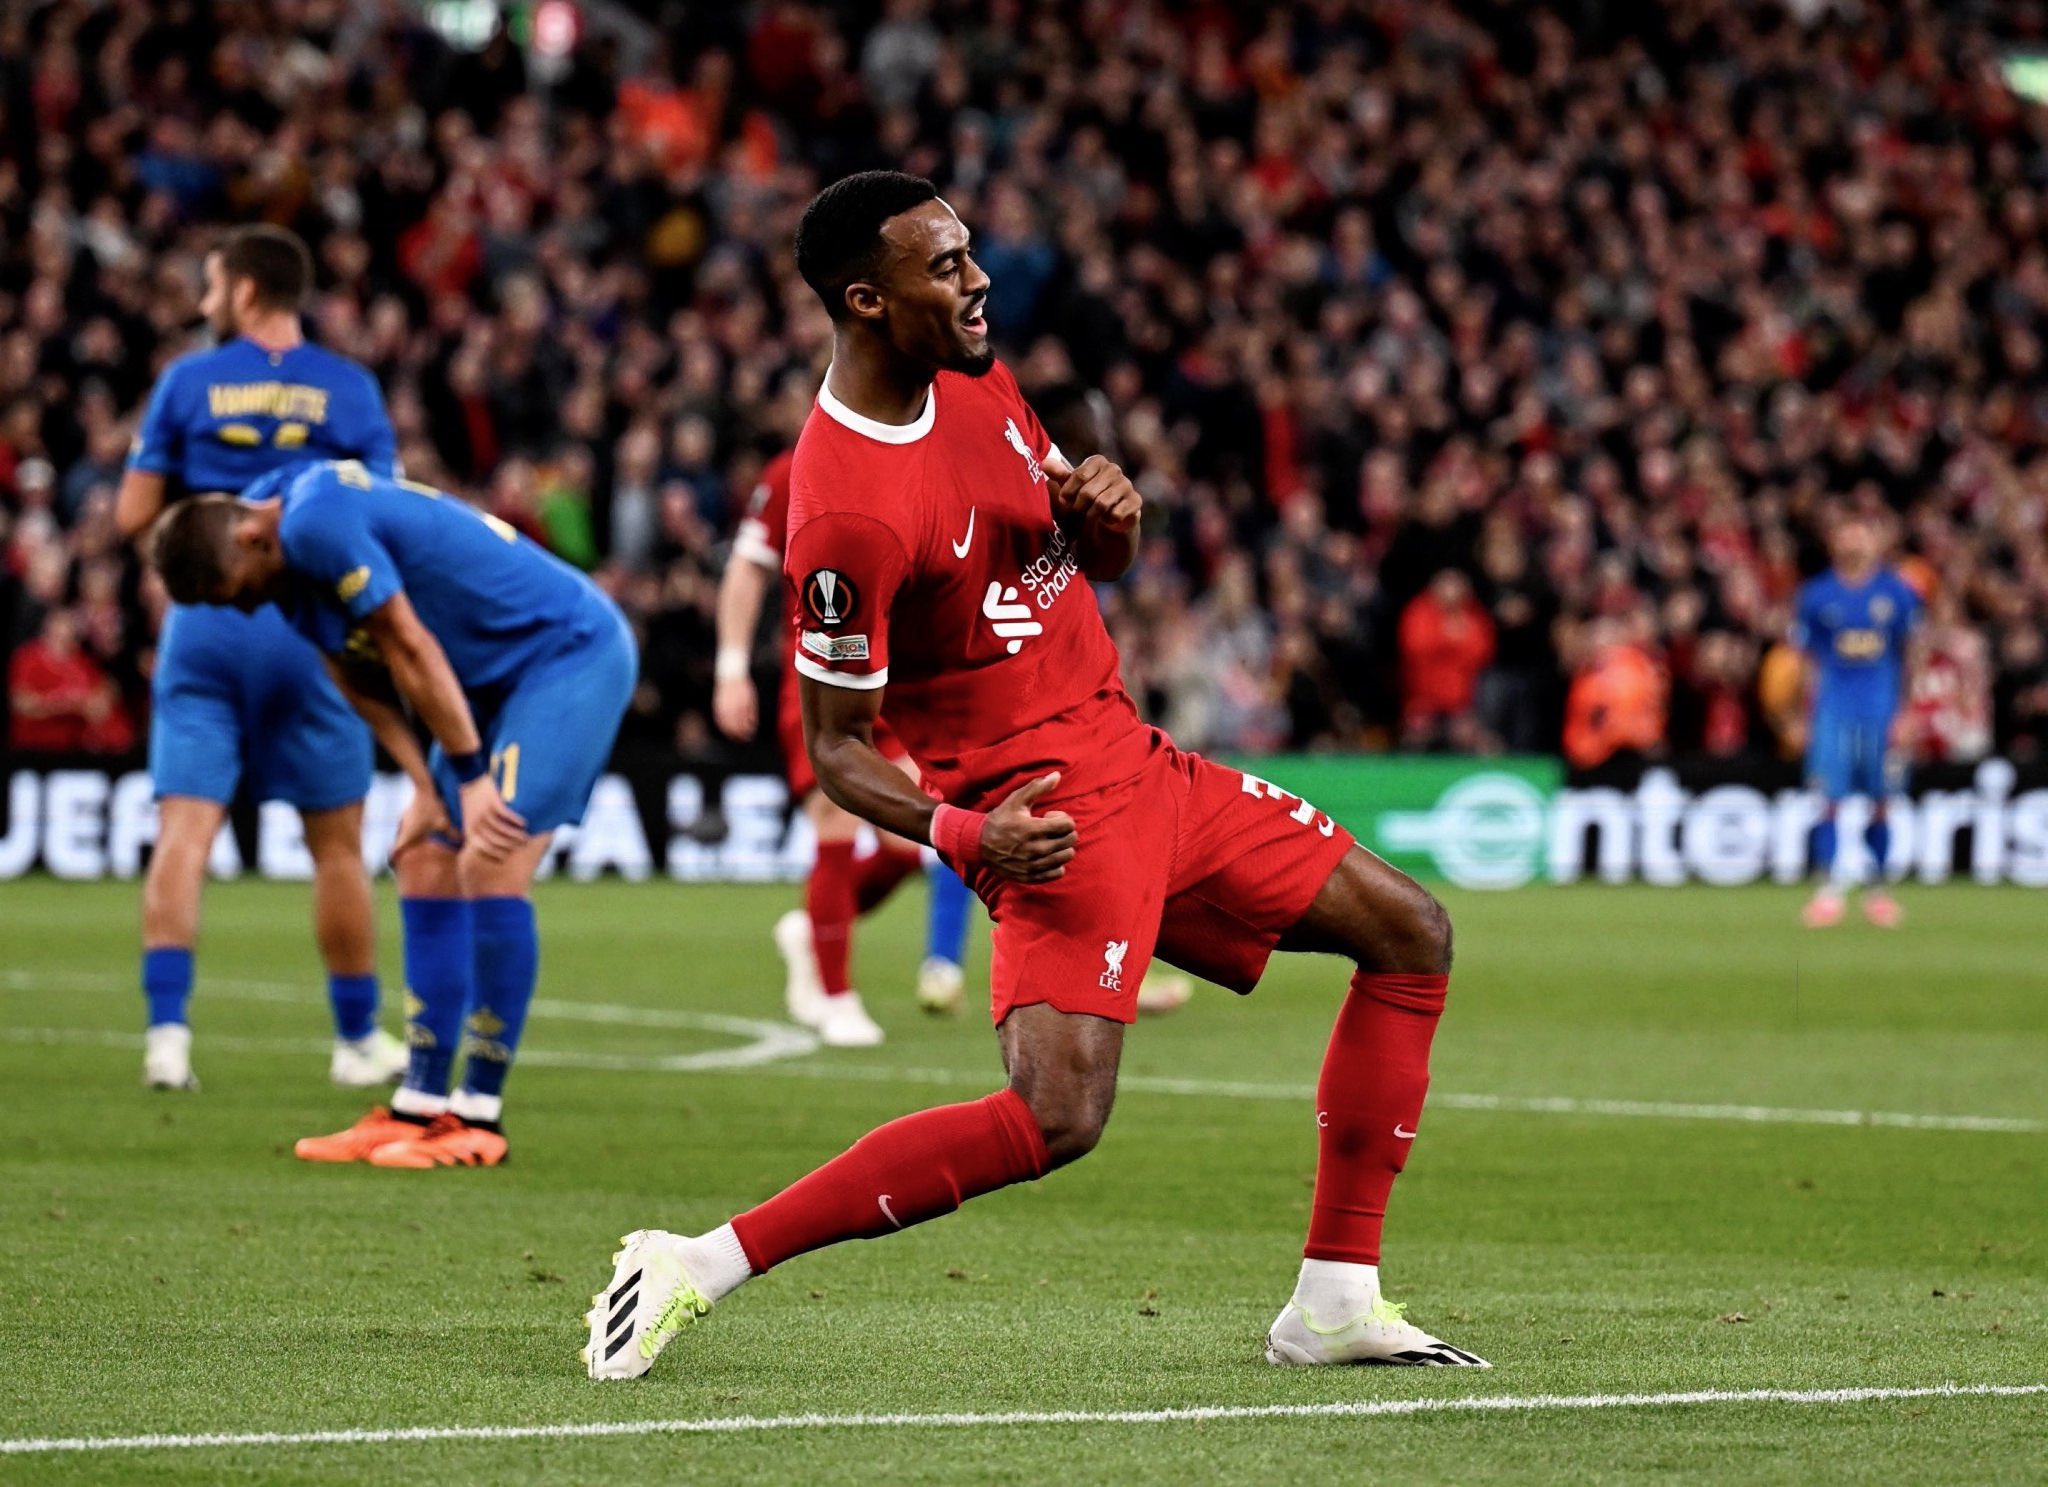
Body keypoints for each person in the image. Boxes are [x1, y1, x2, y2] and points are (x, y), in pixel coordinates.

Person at [586, 173, 1483, 1378]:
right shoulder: (844, 515)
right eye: (943, 265)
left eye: (968, 254)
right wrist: (966, 836)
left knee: (1410, 931)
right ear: (864, 299)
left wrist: (1110, 517)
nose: (977, 282)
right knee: (1054, 1116)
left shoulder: (974, 375)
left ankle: (1332, 1298)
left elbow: (1078, 549)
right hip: (1047, 817)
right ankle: (696, 1260)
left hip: (1145, 765)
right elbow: (839, 746)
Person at [147, 458, 637, 1167]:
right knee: (424, 858)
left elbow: (407, 642)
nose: (245, 610)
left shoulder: (313, 525)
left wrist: (469, 778)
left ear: (252, 539)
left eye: (238, 593)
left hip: (564, 655)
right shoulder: (280, 549)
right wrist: (425, 784)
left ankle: (480, 1115)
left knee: (490, 855)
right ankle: (421, 1104)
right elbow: (352, 669)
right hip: (484, 684)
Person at [113, 226, 406, 1093]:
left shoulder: (187, 380)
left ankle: (168, 1038)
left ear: (244, 291)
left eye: (212, 286)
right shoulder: (349, 387)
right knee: (338, 847)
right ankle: (356, 1039)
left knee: (184, 832)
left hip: (206, 617)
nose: (206, 303)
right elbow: (381, 508)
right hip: (307, 623)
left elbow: (132, 515)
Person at [713, 443, 977, 1044]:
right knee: (835, 818)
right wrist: (730, 669)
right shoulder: (795, 469)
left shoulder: (920, 462)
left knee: (911, 842)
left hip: (895, 682)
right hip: (820, 673)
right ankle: (836, 999)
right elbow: (748, 567)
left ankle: (812, 932)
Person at [1792, 512, 1923, 928]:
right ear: (1833, 543)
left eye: (1861, 536)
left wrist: (1908, 710)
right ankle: (1827, 892)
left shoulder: (1897, 593)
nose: (1853, 543)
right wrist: (1802, 714)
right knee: (1828, 800)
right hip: (1833, 711)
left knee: (1882, 802)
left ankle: (1877, 890)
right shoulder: (1816, 596)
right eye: (1846, 536)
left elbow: (1913, 653)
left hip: (1881, 712)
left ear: (1875, 542)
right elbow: (1806, 661)